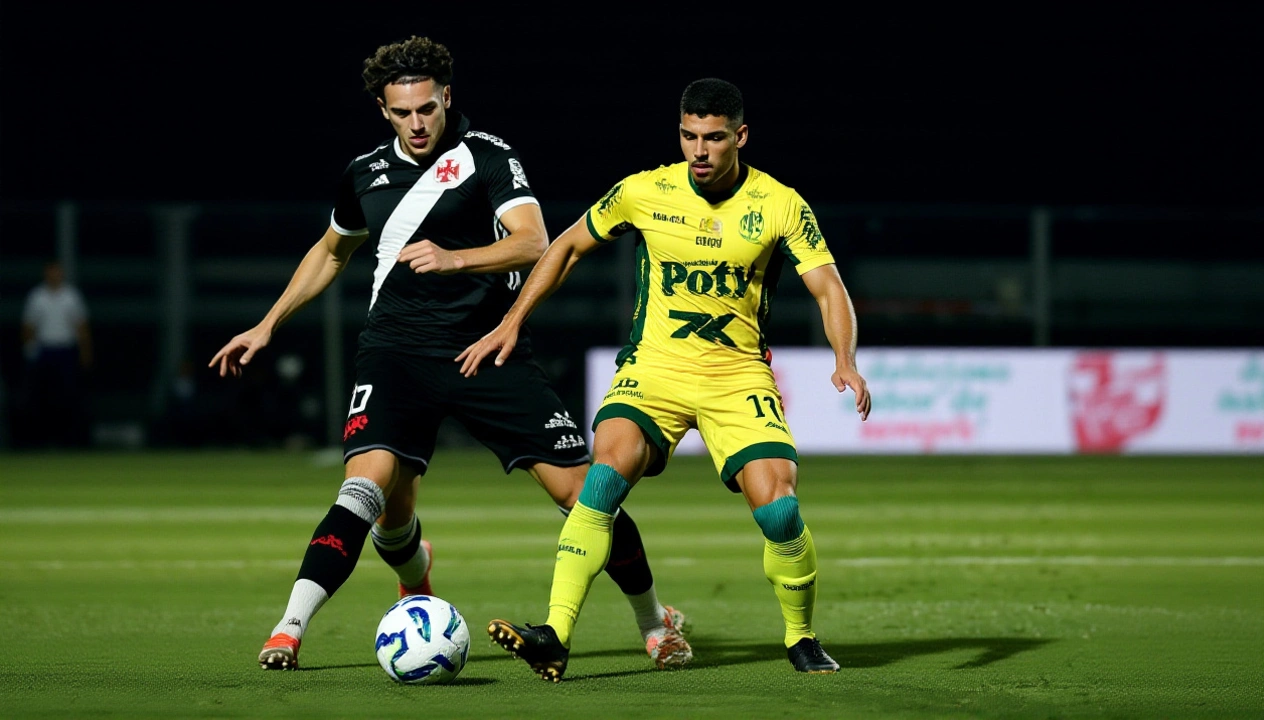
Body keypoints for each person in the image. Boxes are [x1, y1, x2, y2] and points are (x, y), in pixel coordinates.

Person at [208, 35, 690, 672]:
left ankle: (655, 623)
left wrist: (455, 257)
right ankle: (290, 627)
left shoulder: (487, 158)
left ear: (446, 99)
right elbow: (330, 251)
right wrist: (268, 323)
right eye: (403, 112)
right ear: (384, 109)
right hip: (395, 356)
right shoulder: (364, 174)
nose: (417, 123)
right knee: (372, 497)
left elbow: (533, 241)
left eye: (427, 109)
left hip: (485, 350)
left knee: (584, 491)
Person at [457, 78, 872, 681]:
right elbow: (568, 246)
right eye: (688, 136)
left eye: (712, 138)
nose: (698, 150)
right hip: (654, 368)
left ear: (740, 137)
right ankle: (554, 634)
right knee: (602, 478)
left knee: (779, 511)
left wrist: (845, 359)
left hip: (736, 376)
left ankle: (801, 639)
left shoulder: (780, 203)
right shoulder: (644, 190)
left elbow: (827, 284)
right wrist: (512, 321)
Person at [19, 259, 92, 448]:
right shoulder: (37, 296)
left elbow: (81, 326)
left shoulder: (71, 296)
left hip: (65, 351)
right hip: (44, 350)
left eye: (57, 272)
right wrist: (30, 350)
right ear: (46, 274)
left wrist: (85, 352)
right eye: (51, 272)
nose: (54, 276)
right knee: (41, 397)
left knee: (68, 397)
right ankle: (40, 440)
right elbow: (28, 326)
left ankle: (69, 440)